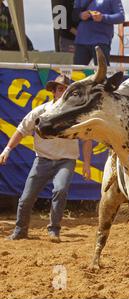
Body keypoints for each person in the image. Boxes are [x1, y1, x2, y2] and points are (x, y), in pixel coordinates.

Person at [0, 74, 92, 243]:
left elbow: (87, 140)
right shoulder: (41, 111)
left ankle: (54, 230)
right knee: (27, 197)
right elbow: (21, 130)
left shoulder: (75, 116)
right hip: (42, 159)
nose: (62, 92)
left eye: (66, 89)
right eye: (59, 88)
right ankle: (20, 230)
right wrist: (7, 149)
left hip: (66, 160)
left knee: (60, 190)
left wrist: (87, 164)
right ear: (54, 91)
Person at [72, 0, 125, 65]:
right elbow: (73, 15)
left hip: (101, 41)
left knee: (102, 72)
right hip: (81, 40)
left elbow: (121, 17)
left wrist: (102, 17)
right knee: (78, 73)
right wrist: (80, 15)